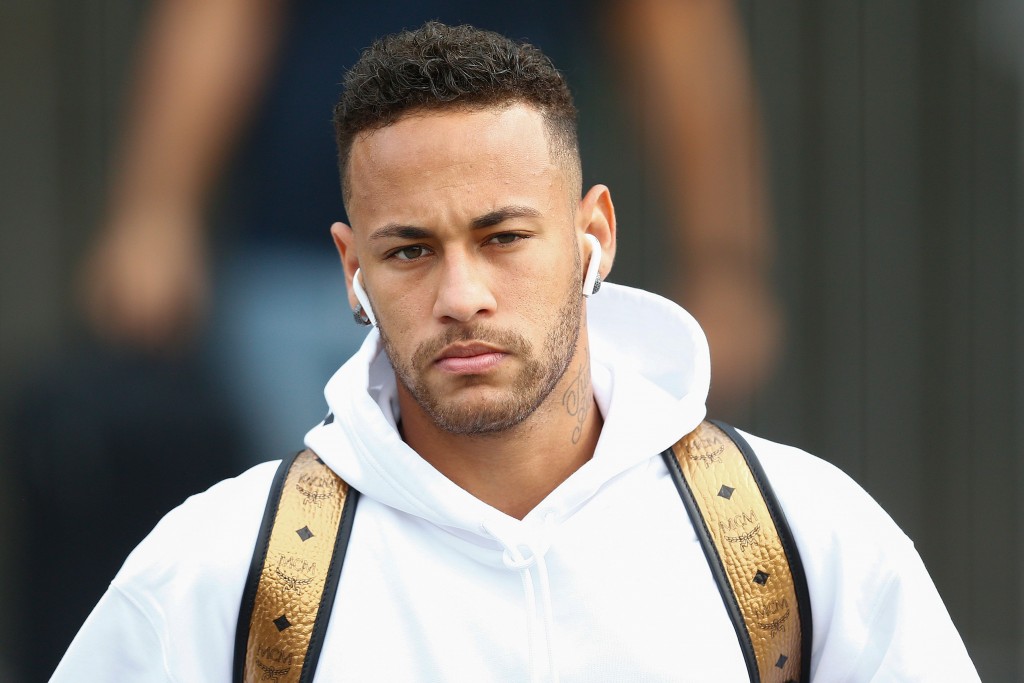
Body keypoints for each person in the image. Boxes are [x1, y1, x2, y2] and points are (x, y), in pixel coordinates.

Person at [53, 22, 977, 681]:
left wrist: (728, 258)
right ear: (354, 267)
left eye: (503, 237)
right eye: (409, 250)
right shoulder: (214, 576)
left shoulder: (806, 545)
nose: (462, 297)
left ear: (594, 237)